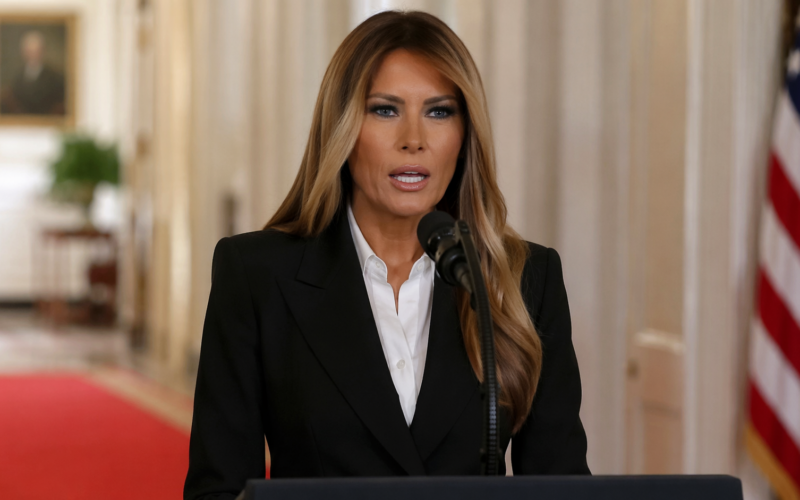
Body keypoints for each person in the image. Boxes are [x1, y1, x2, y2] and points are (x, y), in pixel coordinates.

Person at [184, 10, 589, 500]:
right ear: (343, 128)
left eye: (439, 111)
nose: (413, 140)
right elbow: (217, 490)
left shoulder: (526, 278)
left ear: (465, 135)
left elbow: (560, 485)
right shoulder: (255, 275)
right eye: (385, 109)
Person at [1, 30, 65, 115]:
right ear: (24, 53)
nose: (33, 55)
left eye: (36, 51)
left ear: (43, 52)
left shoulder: (54, 77)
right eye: (29, 51)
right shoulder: (18, 77)